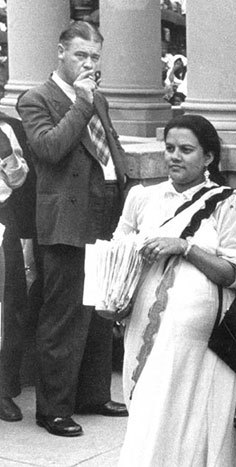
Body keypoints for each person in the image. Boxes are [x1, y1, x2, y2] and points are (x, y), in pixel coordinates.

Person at [113, 114, 236, 466]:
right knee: (149, 418)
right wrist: (112, 301)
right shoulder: (142, 198)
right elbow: (117, 257)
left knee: (191, 429)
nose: (175, 156)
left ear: (208, 158)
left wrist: (185, 248)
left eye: (186, 150)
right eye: (170, 148)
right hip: (145, 329)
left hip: (201, 341)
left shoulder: (227, 203)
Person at [17, 21, 128, 437]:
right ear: (60, 52)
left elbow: (109, 148)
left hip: (105, 213)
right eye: (81, 55)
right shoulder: (36, 99)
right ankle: (53, 408)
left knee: (100, 309)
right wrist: (82, 103)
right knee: (62, 317)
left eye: (95, 57)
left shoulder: (96, 98)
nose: (89, 63)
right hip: (65, 220)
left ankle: (92, 395)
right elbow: (49, 149)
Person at [0, 112, 35, 423]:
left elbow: (19, 179)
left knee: (9, 303)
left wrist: (6, 153)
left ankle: (4, 388)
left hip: (2, 218)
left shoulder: (8, 129)